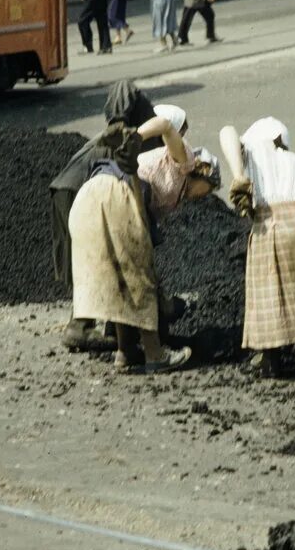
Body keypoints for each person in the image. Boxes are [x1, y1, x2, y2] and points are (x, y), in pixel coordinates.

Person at [68, 124, 200, 375]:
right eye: (207, 190)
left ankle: (125, 352)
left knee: (116, 278)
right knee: (139, 276)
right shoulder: (185, 161)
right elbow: (165, 123)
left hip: (88, 195)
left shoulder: (152, 166)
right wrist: (138, 136)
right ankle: (155, 354)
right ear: (204, 174)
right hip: (116, 194)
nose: (202, 197)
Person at [219, 118, 295, 376]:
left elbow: (227, 131)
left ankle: (270, 358)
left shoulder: (251, 156)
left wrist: (239, 176)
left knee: (269, 290)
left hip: (277, 227)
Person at [51, 82, 162, 351]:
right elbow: (123, 84)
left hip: (64, 186)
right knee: (105, 255)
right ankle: (86, 327)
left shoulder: (128, 143)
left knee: (87, 258)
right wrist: (119, 119)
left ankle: (84, 326)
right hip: (82, 188)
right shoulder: (140, 136)